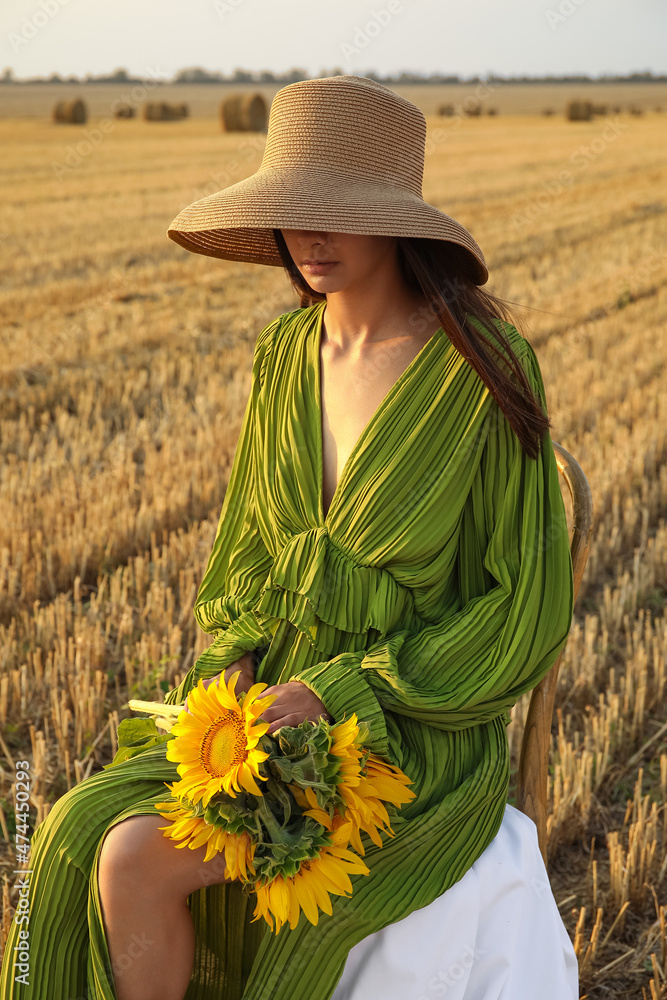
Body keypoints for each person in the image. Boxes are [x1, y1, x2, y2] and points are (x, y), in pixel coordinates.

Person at [0, 75, 578, 1000]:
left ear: (398, 221)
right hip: (266, 707)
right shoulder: (283, 355)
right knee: (75, 833)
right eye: (291, 213)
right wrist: (233, 662)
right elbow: (247, 560)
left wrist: (346, 688)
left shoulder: (482, 369)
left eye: (338, 213)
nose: (308, 238)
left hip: (406, 726)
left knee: (138, 861)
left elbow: (522, 611)